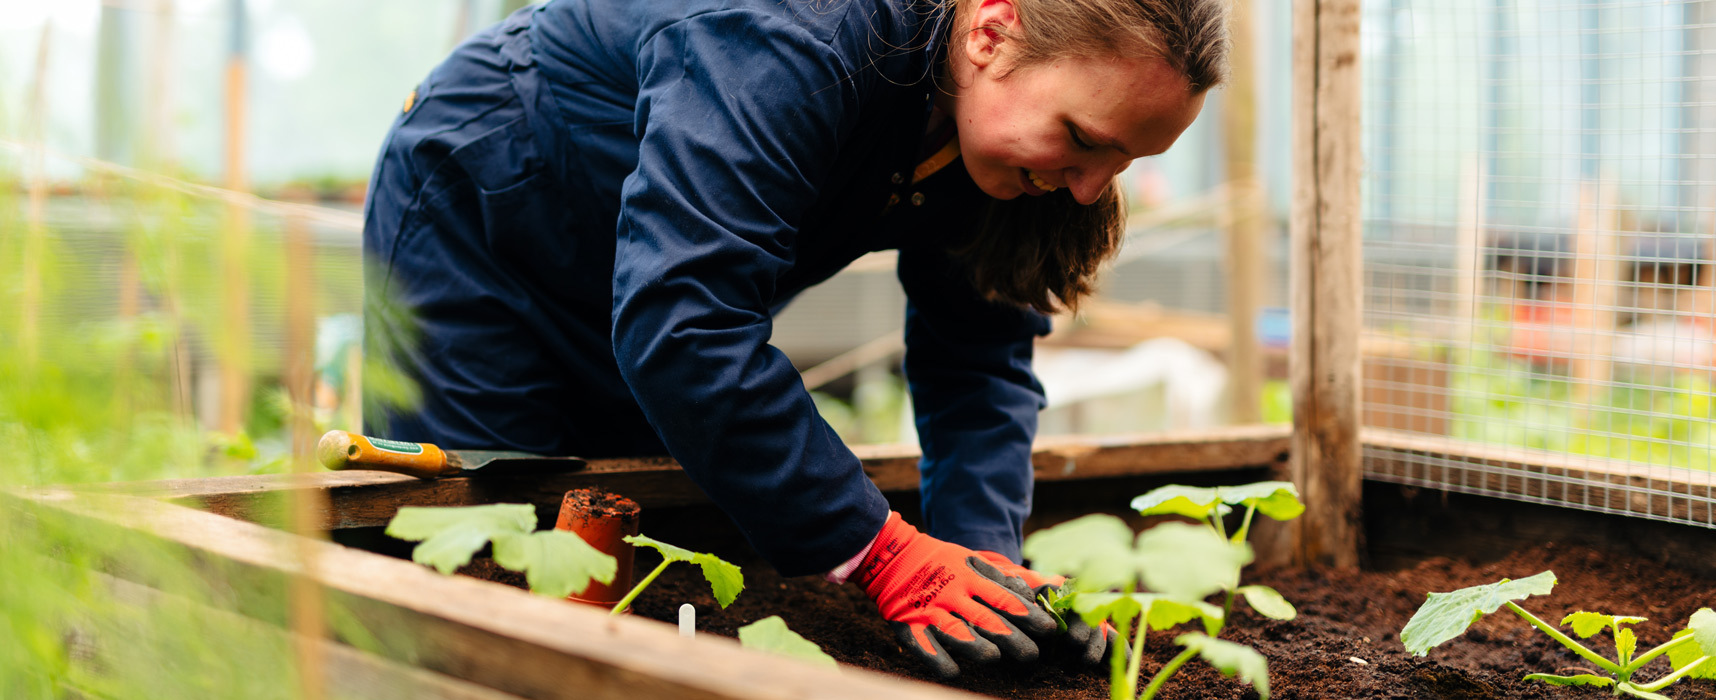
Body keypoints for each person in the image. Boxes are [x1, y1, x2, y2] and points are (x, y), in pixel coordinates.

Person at [362, 0, 1229, 679]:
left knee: (625, 545)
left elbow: (979, 357)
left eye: (1120, 165)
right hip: (485, 221)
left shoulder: (999, 146)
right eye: (1081, 141)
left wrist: (983, 566)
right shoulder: (794, 33)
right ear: (993, 32)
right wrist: (886, 553)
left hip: (649, 274)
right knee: (490, 545)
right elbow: (687, 323)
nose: (1087, 193)